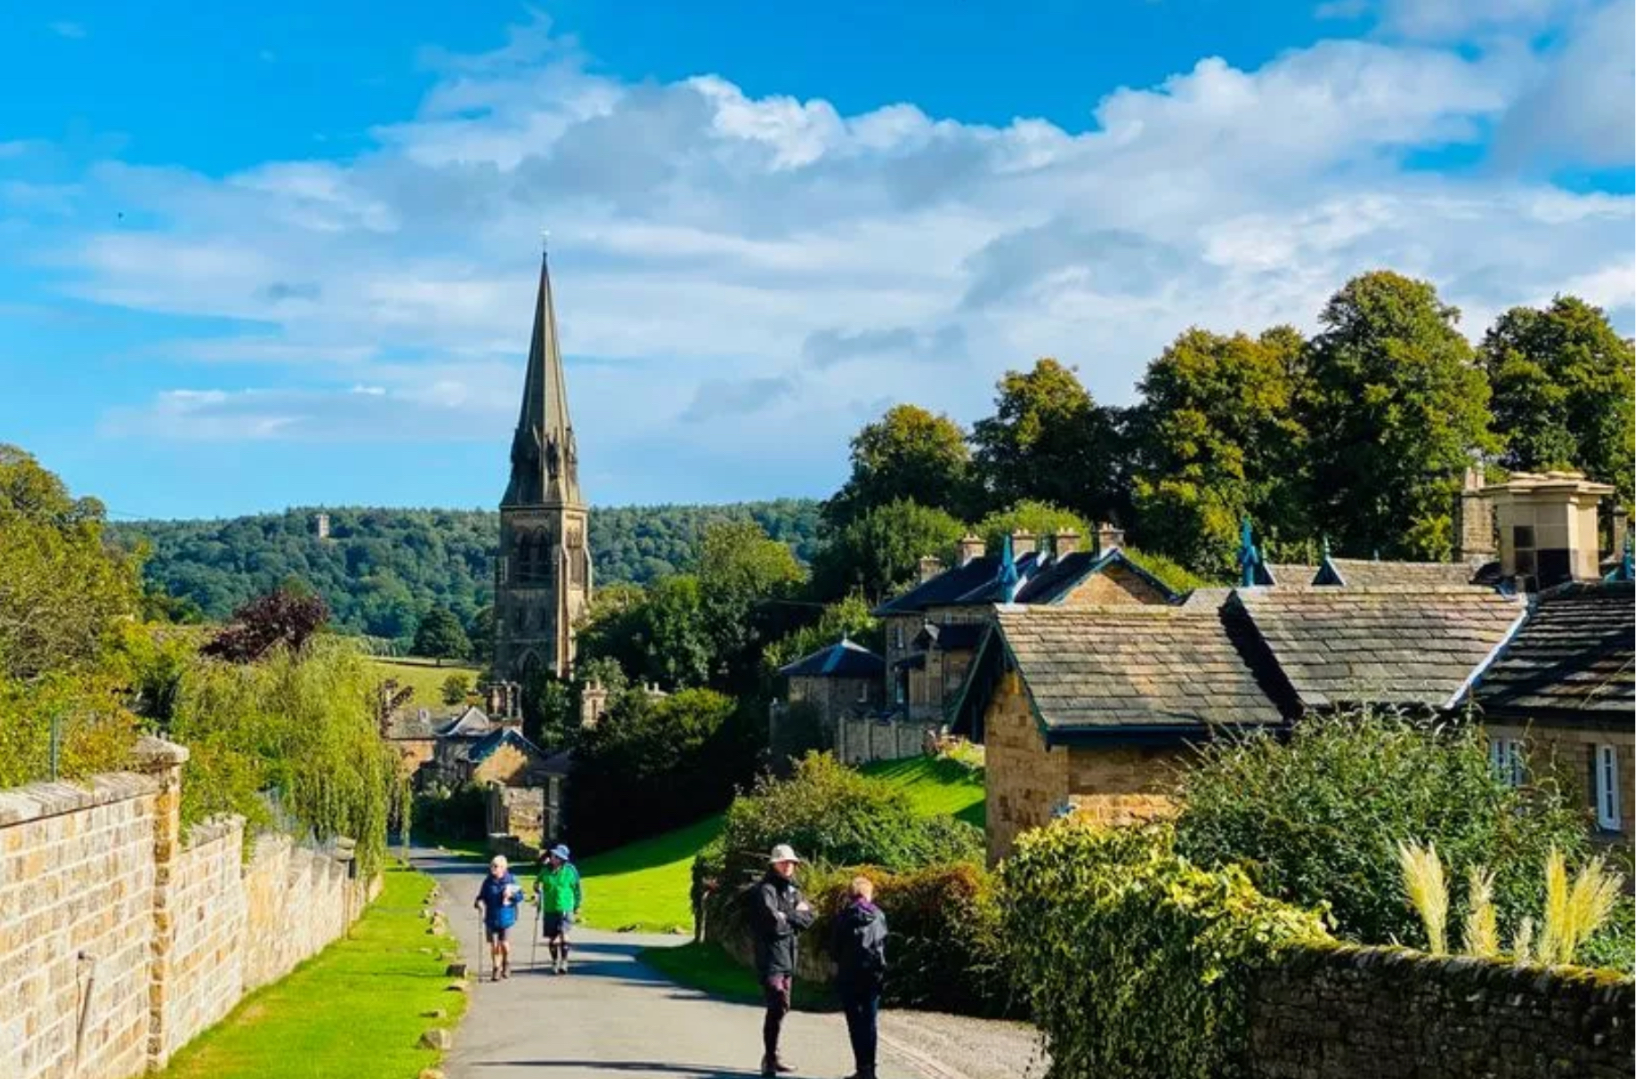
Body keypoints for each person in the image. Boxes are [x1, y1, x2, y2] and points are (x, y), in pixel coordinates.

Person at [750, 844, 815, 1077]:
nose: (789, 866)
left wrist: (786, 915)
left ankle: (773, 1056)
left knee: (783, 1007)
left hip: (789, 956)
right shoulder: (764, 890)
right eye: (784, 862)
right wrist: (793, 915)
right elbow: (772, 923)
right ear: (774, 864)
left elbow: (810, 917)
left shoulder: (793, 889)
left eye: (792, 863)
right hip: (770, 957)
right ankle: (770, 1058)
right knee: (777, 1002)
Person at [830, 876, 888, 1079]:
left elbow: (834, 951)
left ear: (851, 894)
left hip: (849, 976)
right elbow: (883, 944)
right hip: (872, 976)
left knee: (855, 1023)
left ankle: (861, 1069)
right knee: (870, 1023)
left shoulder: (843, 917)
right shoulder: (879, 915)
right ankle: (870, 1070)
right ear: (868, 893)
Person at [534, 843, 583, 974]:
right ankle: (555, 961)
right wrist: (537, 888)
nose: (552, 857)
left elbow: (577, 889)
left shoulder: (570, 871)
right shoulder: (545, 870)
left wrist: (577, 905)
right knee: (552, 939)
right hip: (549, 909)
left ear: (561, 859)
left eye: (555, 856)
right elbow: (536, 883)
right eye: (552, 855)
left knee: (563, 934)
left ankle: (564, 962)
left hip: (565, 908)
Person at [473, 854, 522, 981]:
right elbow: (481, 896)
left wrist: (510, 896)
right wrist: (478, 902)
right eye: (491, 865)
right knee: (494, 945)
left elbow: (520, 897)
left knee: (504, 944)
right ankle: (496, 968)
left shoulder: (511, 880)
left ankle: (506, 962)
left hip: (506, 917)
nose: (492, 868)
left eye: (495, 866)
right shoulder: (488, 881)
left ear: (503, 867)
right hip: (491, 917)